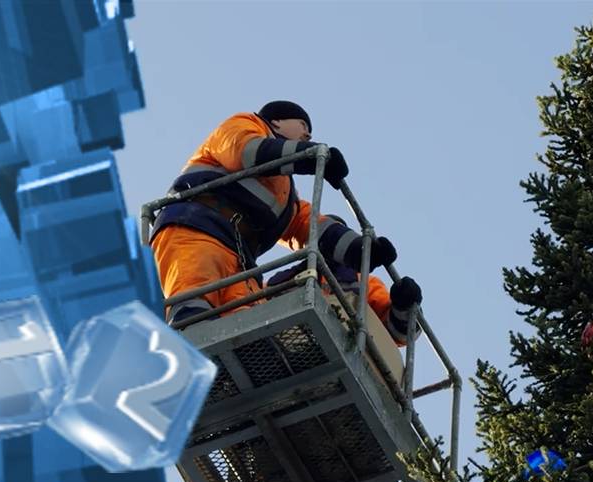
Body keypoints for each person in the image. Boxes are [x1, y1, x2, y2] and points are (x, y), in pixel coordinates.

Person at [150, 101, 418, 325]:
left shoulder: (285, 195)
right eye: (303, 126)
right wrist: (309, 156)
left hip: (240, 258)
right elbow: (245, 151)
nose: (308, 135)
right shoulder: (245, 124)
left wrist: (360, 250)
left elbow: (308, 226)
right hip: (194, 230)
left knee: (246, 319)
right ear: (276, 122)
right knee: (194, 299)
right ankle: (190, 350)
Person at [265, 214, 421, 346]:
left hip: (339, 346)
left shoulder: (364, 284)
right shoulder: (281, 280)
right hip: (285, 346)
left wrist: (404, 306)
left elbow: (398, 335)